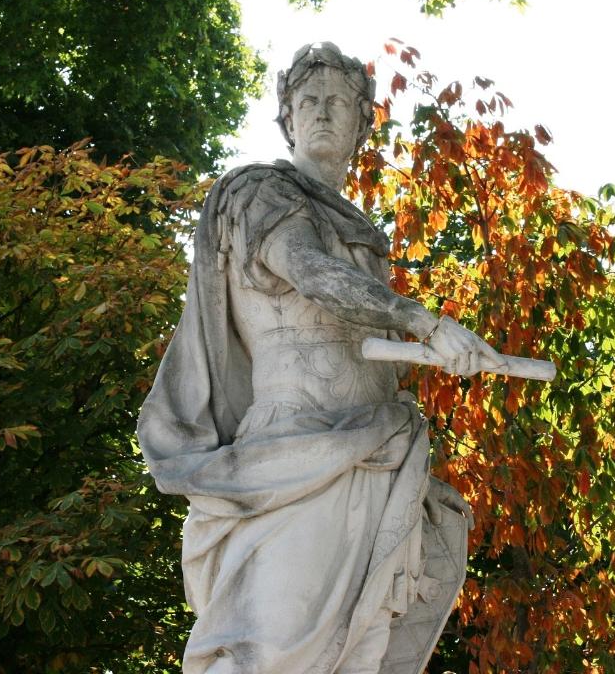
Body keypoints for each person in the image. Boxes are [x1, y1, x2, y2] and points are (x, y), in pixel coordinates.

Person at [137, 42, 504, 674]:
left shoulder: (359, 229)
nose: (323, 112)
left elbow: (365, 347)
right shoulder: (260, 191)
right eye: (308, 101)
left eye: (339, 101)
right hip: (295, 446)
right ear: (287, 118)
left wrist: (436, 351)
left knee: (359, 651)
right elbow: (307, 270)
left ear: (363, 122)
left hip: (374, 445)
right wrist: (426, 323)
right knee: (266, 648)